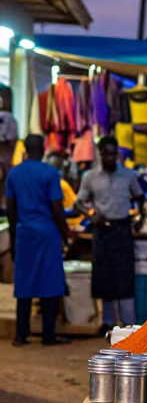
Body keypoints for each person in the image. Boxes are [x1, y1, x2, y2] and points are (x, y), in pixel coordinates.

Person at [6, 134, 69, 346]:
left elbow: (11, 209)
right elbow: (57, 207)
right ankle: (48, 335)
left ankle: (20, 335)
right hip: (47, 233)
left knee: (24, 284)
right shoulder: (50, 173)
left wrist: (15, 236)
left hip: (25, 233)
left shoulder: (14, 174)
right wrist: (67, 234)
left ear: (25, 149)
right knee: (50, 283)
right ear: (42, 149)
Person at [76, 136, 145, 329]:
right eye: (105, 154)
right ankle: (107, 323)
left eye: (113, 154)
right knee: (104, 276)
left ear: (117, 155)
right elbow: (78, 203)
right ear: (100, 154)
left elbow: (140, 197)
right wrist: (91, 215)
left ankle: (128, 323)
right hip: (101, 230)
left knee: (124, 275)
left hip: (122, 229)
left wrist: (140, 218)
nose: (109, 158)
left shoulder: (128, 175)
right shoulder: (90, 177)